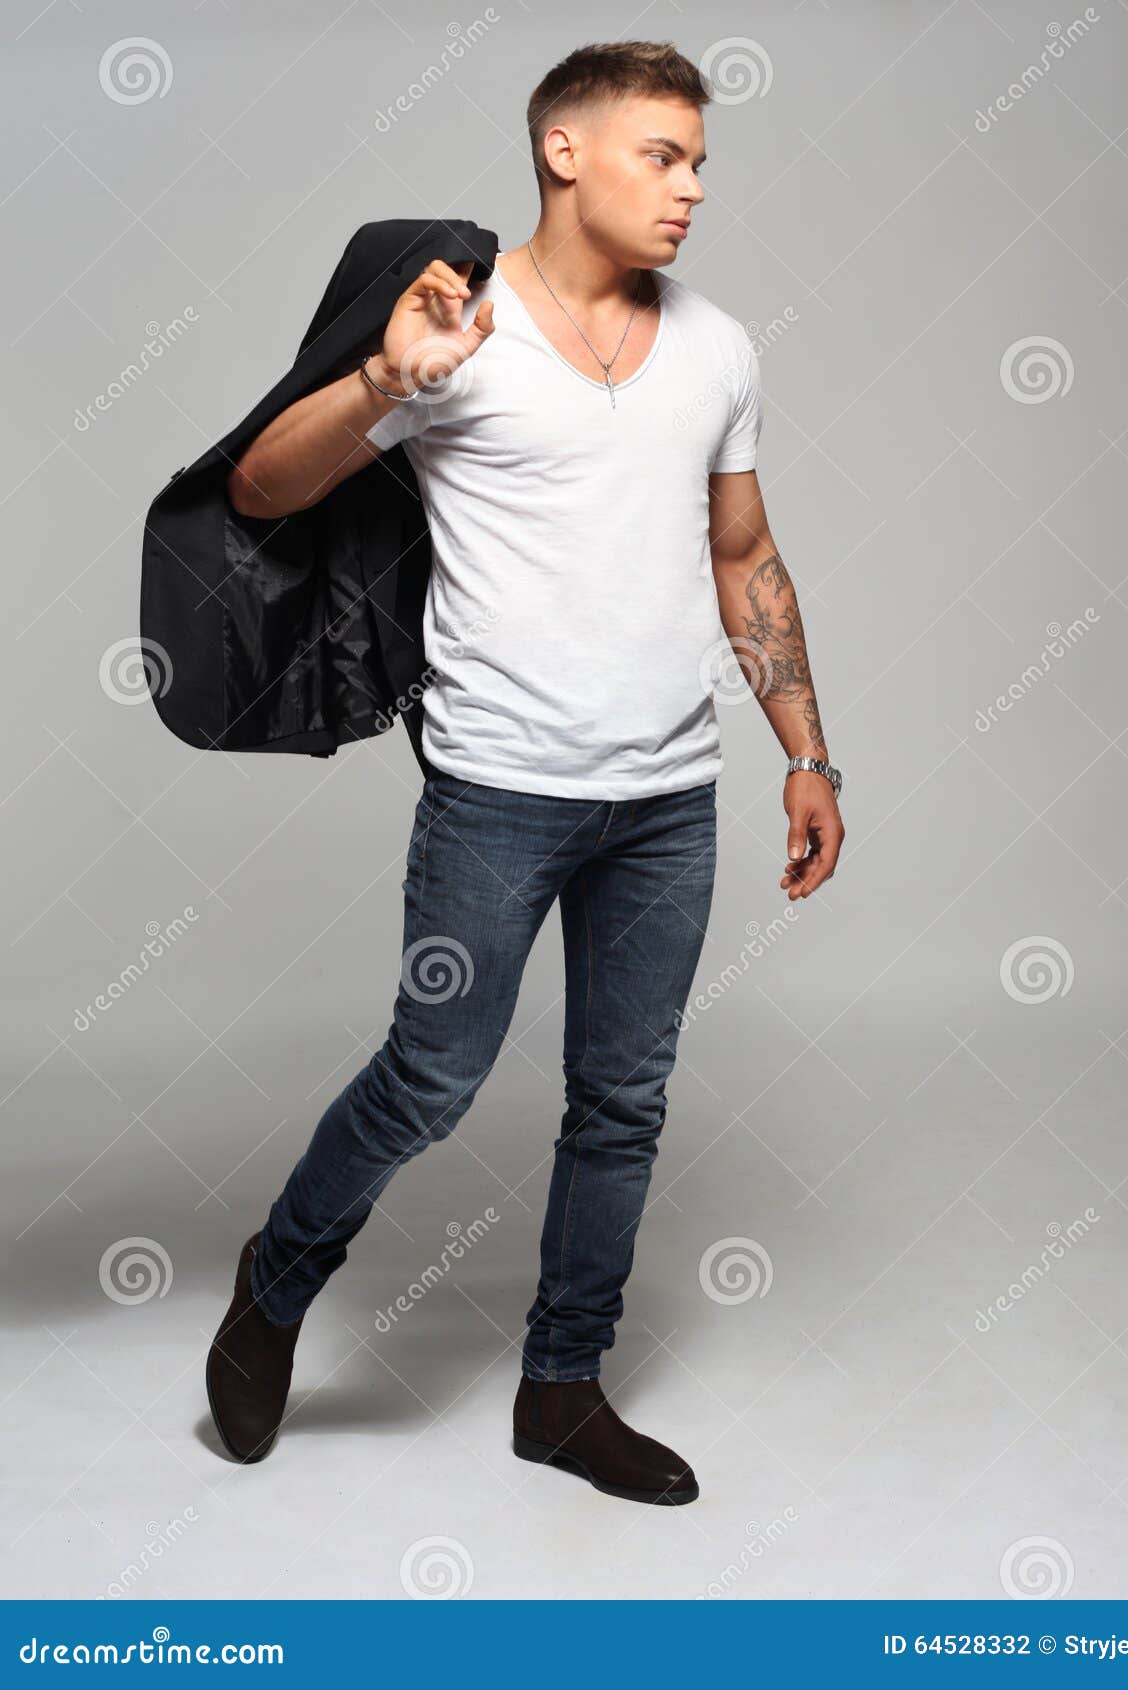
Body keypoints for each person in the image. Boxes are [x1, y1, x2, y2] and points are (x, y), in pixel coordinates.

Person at [206, 39, 845, 1504]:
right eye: (661, 155)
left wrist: (805, 748)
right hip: (498, 790)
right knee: (431, 1077)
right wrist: (384, 377)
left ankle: (561, 1389)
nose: (691, 189)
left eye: (699, 163)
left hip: (668, 801)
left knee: (622, 1101)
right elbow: (259, 486)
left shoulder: (718, 347)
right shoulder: (454, 320)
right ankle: (276, 1281)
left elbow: (744, 554)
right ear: (565, 151)